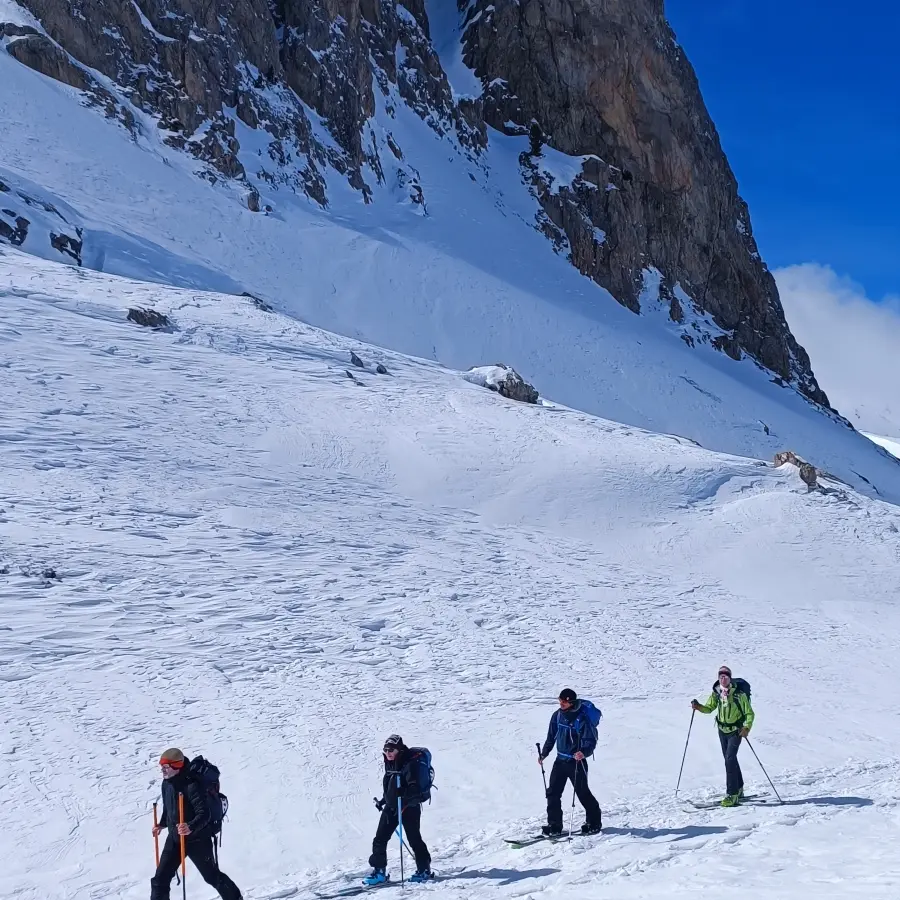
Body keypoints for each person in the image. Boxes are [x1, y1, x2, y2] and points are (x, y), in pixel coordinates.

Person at [150, 748, 242, 900]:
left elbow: (205, 814)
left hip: (197, 840)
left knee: (212, 876)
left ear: (177, 766)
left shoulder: (192, 785)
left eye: (166, 767)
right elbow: (169, 809)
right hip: (175, 839)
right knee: (159, 880)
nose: (163, 770)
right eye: (162, 767)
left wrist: (190, 827)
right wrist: (161, 825)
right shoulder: (166, 784)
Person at [365, 735, 433, 885]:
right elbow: (391, 786)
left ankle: (424, 869)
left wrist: (403, 793)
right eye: (385, 749)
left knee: (414, 839)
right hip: (392, 806)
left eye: (391, 749)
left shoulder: (409, 764)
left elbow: (414, 788)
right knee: (379, 839)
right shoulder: (390, 763)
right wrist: (384, 800)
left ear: (399, 749)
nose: (388, 752)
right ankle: (379, 871)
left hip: (409, 807)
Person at [538, 689, 602, 835]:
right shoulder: (557, 715)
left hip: (576, 762)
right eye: (559, 700)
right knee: (552, 793)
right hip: (560, 761)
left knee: (582, 793)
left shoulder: (582, 719)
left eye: (564, 701)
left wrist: (583, 753)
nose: (561, 704)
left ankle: (594, 822)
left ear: (571, 702)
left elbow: (590, 741)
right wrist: (544, 754)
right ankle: (554, 825)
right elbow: (551, 737)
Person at [691, 666, 755, 807]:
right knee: (730, 759)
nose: (723, 678)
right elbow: (710, 708)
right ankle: (739, 789)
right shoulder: (717, 693)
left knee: (729, 759)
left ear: (730, 678)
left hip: (736, 730)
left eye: (726, 676)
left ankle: (732, 795)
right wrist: (699, 707)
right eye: (721, 676)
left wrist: (746, 727)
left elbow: (749, 713)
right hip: (722, 730)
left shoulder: (739, 694)